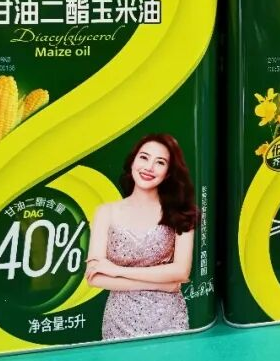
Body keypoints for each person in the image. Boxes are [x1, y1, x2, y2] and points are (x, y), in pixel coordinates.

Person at [85, 134, 199, 340]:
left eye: (160, 162)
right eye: (144, 157)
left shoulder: (182, 212)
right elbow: (95, 277)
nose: (149, 167)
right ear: (133, 161)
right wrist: (163, 284)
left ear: (168, 173)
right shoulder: (105, 212)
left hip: (169, 319)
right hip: (118, 320)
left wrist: (117, 271)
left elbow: (181, 272)